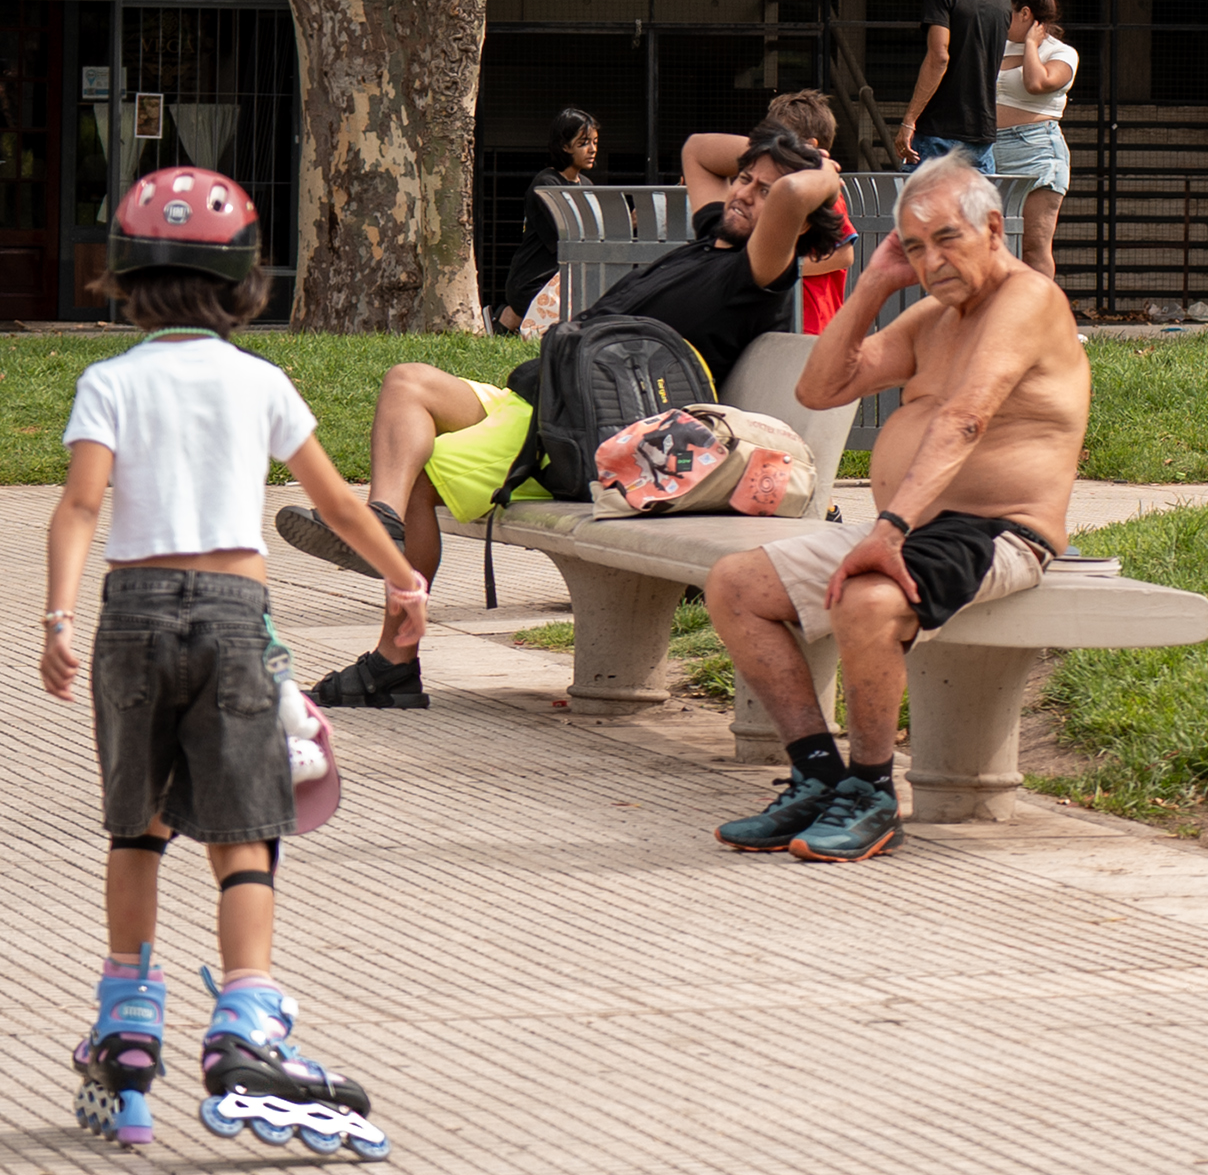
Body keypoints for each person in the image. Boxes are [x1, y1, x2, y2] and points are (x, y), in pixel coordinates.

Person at [41, 167, 426, 1155]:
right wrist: (399, 579)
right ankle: (245, 1021)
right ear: (244, 278)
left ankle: (127, 1024)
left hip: (130, 612)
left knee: (138, 823)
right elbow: (339, 502)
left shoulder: (109, 380)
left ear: (127, 275)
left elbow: (81, 505)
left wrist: (55, 617)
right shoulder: (259, 380)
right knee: (245, 826)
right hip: (232, 612)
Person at [275, 123, 846, 709]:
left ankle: (393, 662)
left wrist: (823, 173)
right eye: (744, 178)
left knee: (419, 471)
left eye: (765, 190)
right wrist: (772, 157)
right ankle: (382, 524)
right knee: (407, 383)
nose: (745, 192)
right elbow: (698, 148)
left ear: (797, 218)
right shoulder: (713, 237)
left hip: (597, 440)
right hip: (549, 402)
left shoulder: (760, 273)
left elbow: (795, 198)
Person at [705, 151, 1089, 864]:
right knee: (734, 585)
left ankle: (873, 792)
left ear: (995, 229)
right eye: (915, 247)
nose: (933, 260)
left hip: (998, 530)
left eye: (946, 238)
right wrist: (876, 283)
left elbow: (966, 419)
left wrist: (888, 528)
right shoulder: (933, 317)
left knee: (870, 603)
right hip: (916, 527)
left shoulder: (1027, 299)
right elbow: (821, 390)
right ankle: (819, 777)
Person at [892, 0, 1012, 173]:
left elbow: (940, 57)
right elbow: (968, 39)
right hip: (982, 131)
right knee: (972, 210)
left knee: (924, 211)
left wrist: (909, 121)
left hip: (938, 129)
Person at [991, 0, 1079, 279]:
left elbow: (1036, 84)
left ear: (1025, 14)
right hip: (989, 149)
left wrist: (1031, 45)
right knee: (993, 246)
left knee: (1033, 247)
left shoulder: (1062, 52)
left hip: (1036, 150)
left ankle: (1041, 325)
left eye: (1006, 12)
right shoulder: (995, 45)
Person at [492, 107, 598, 334]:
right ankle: (505, 318)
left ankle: (506, 320)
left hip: (564, 279)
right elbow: (571, 234)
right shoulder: (547, 184)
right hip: (534, 281)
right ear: (564, 145)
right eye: (584, 142)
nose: (592, 149)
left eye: (595, 142)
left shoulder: (587, 185)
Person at [763, 88, 857, 334]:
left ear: (810, 146)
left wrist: (783, 269)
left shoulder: (825, 193)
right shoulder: (783, 189)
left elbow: (844, 255)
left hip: (813, 322)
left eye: (779, 140)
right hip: (786, 319)